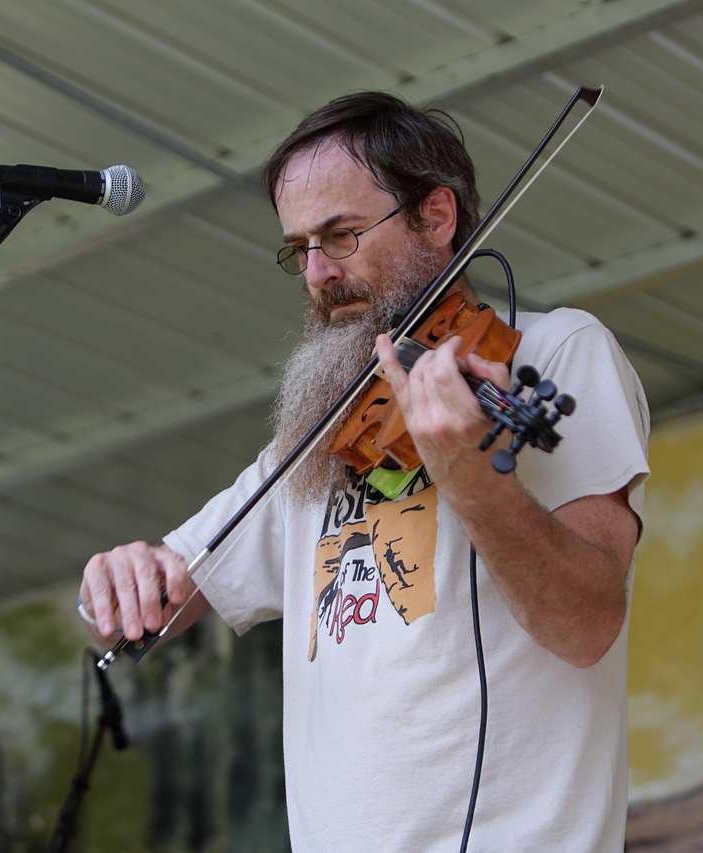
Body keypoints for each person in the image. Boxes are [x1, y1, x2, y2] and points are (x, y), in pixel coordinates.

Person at [80, 91, 650, 852]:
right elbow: (164, 598)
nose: (318, 272)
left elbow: (586, 625)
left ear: (436, 217)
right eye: (299, 249)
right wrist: (119, 580)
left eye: (342, 235)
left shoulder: (556, 352)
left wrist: (470, 474)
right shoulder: (320, 432)